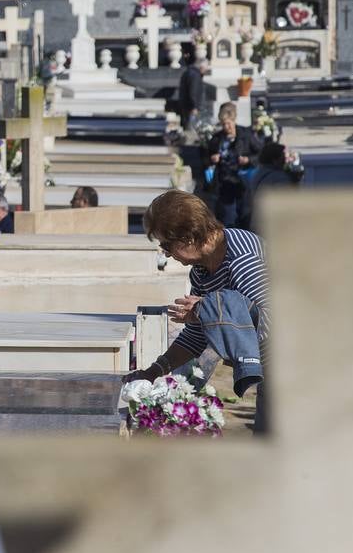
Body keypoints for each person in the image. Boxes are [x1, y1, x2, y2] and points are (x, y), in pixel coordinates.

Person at [125, 189, 271, 433]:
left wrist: (208, 310)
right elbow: (196, 335)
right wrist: (153, 372)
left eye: (167, 245)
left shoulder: (242, 261)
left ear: (189, 236)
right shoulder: (203, 271)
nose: (166, 253)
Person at [205, 101, 262, 227]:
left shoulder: (246, 135)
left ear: (234, 120)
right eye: (223, 124)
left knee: (245, 217)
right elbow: (206, 157)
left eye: (229, 123)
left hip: (243, 181)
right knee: (226, 219)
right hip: (224, 182)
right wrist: (212, 159)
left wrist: (248, 160)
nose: (226, 127)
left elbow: (261, 154)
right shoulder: (217, 139)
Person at [245, 141, 294, 228]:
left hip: (256, 222)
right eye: (283, 157)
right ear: (275, 160)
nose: (286, 160)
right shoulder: (279, 178)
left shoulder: (257, 173)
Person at [175, 55, 206, 127]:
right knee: (191, 127)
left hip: (186, 106)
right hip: (190, 108)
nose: (206, 69)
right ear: (201, 66)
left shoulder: (188, 72)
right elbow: (193, 92)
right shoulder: (195, 75)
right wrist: (194, 107)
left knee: (188, 126)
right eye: (206, 67)